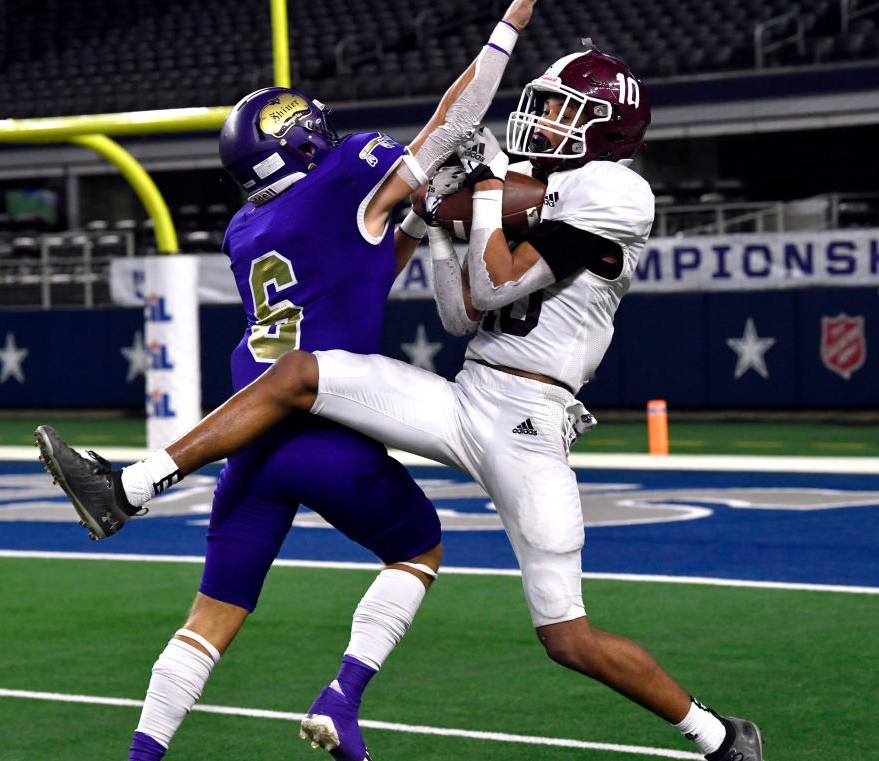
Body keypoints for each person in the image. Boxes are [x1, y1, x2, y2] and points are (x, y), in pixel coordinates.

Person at [39, 42, 765, 761]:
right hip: (468, 393)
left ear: (606, 127)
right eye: (543, 106)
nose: (543, 119)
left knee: (567, 638)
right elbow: (457, 312)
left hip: (532, 426)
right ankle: (132, 489)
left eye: (561, 110)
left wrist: (463, 192)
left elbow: (493, 284)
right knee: (302, 374)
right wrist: (434, 223)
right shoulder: (526, 180)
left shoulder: (616, 189)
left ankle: (716, 735)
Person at [35, 3, 538, 760]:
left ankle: (140, 754)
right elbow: (452, 114)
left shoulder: (246, 229)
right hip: (319, 425)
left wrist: (414, 225)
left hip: (252, 437)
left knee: (210, 617)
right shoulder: (348, 171)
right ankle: (343, 696)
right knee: (418, 550)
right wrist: (509, 28)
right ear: (299, 139)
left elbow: (355, 267)